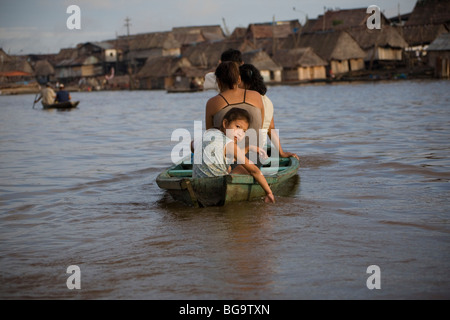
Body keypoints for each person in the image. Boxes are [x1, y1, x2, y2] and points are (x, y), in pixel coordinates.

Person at [193, 107, 275, 203]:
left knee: (228, 165)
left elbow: (193, 146)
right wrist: (268, 193)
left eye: (244, 131)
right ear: (225, 123)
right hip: (217, 188)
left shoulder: (207, 135)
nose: (240, 133)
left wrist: (249, 148)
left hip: (197, 186)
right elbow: (254, 171)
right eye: (237, 127)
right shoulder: (231, 145)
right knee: (246, 167)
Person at [239, 64, 299, 161]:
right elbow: (271, 129)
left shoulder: (247, 100)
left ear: (247, 83)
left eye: (238, 81)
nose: (236, 85)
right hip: (258, 151)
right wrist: (281, 153)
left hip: (248, 151)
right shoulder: (267, 100)